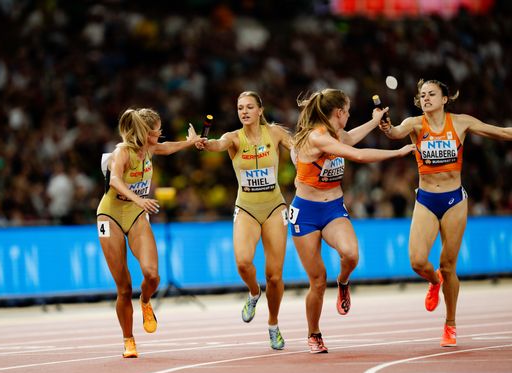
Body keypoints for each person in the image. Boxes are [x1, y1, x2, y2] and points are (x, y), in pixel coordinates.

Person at [379, 79, 512, 347]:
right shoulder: (415, 124)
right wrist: (386, 126)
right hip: (426, 198)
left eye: (431, 94)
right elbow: (395, 133)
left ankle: (450, 324)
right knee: (417, 261)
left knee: (448, 265)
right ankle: (433, 281)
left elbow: (502, 132)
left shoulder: (461, 122)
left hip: (453, 200)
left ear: (444, 99)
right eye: (422, 95)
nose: (426, 98)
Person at [289, 89, 415, 353]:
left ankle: (343, 282)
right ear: (339, 113)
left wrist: (373, 120)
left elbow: (350, 137)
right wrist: (398, 153)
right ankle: (314, 333)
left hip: (333, 208)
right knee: (318, 280)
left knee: (351, 254)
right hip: (306, 213)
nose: (348, 115)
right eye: (347, 111)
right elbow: (355, 154)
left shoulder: (334, 133)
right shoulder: (317, 137)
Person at [97, 108, 204, 358]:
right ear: (146, 133)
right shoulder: (122, 152)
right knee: (123, 287)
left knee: (152, 275)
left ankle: (145, 301)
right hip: (110, 216)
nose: (161, 134)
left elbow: (167, 148)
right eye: (158, 131)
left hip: (135, 215)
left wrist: (191, 142)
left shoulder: (151, 148)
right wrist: (139, 199)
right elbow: (114, 180)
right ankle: (128, 339)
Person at [194, 91, 293, 350]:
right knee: (243, 262)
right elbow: (217, 143)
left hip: (274, 208)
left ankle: (273, 325)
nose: (244, 111)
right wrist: (204, 143)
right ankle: (253, 292)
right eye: (240, 108)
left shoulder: (275, 133)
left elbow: (300, 149)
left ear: (260, 110)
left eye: (250, 107)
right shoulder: (233, 138)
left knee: (274, 275)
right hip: (247, 209)